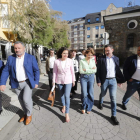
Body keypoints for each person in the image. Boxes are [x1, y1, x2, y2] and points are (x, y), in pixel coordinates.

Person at [0, 41, 40, 125]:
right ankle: (25, 113)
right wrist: (2, 83)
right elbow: (5, 71)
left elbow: (36, 70)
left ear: (24, 48)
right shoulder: (11, 58)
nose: (17, 50)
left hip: (27, 82)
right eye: (15, 48)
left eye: (19, 48)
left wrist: (36, 82)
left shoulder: (30, 57)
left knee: (26, 99)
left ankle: (29, 114)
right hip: (15, 83)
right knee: (21, 100)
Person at [96, 44, 125, 125]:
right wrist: (98, 81)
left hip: (113, 80)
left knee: (113, 98)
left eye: (108, 50)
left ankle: (113, 115)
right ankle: (100, 102)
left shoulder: (116, 59)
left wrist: (120, 81)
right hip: (104, 80)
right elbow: (98, 71)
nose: (107, 52)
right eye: (105, 51)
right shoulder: (101, 59)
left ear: (112, 50)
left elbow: (118, 70)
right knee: (103, 93)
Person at [53, 47, 75, 122]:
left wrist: (73, 80)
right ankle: (64, 106)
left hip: (68, 80)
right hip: (59, 81)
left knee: (67, 95)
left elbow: (72, 71)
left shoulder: (70, 61)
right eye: (64, 53)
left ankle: (67, 113)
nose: (66, 55)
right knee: (61, 95)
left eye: (67, 53)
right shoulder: (56, 61)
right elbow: (54, 72)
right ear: (61, 54)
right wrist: (53, 81)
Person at [80, 49, 96, 114]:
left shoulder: (93, 61)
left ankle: (89, 107)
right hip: (83, 77)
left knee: (90, 93)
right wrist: (90, 69)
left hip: (91, 77)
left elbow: (95, 70)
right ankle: (84, 106)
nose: (90, 56)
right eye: (89, 55)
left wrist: (86, 69)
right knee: (84, 93)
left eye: (91, 55)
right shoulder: (82, 61)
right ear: (86, 54)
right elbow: (81, 71)